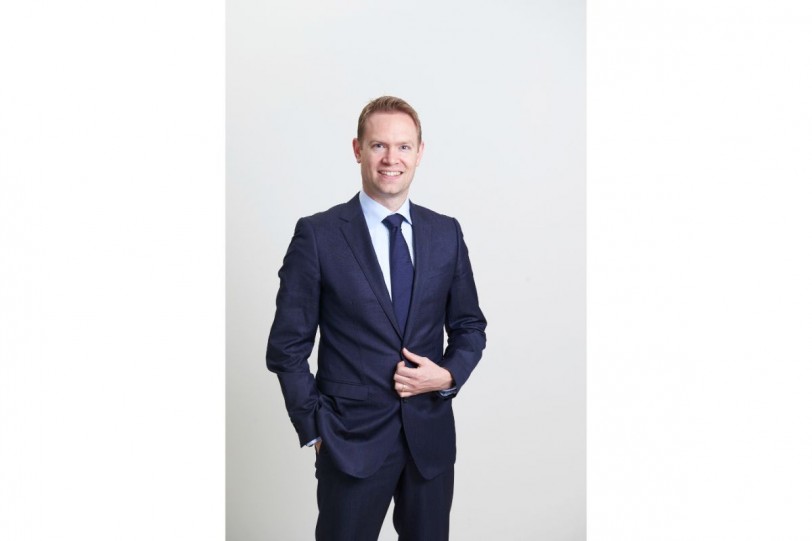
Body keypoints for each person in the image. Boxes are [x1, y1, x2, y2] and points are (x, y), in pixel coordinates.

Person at [266, 96, 487, 541]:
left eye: (403, 147)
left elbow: (469, 327)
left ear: (419, 153)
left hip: (429, 441)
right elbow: (286, 348)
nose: (391, 159)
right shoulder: (318, 235)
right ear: (358, 149)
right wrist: (315, 430)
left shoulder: (446, 232)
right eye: (379, 145)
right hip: (349, 442)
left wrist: (447, 375)